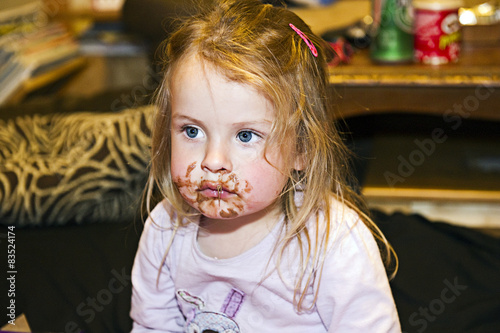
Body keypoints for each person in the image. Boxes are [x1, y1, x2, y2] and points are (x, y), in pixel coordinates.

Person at [130, 0, 401, 331]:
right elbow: (152, 325)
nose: (213, 161)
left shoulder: (335, 244)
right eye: (192, 131)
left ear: (301, 148)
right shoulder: (164, 231)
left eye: (245, 135)